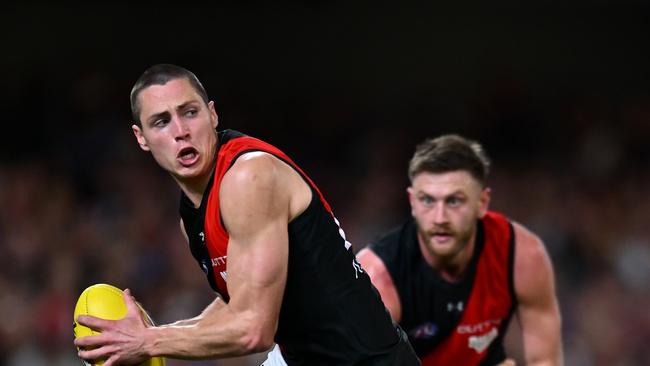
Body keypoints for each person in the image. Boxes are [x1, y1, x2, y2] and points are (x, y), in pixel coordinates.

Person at [73, 64, 420, 366]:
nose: (180, 130)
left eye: (189, 112)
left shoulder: (247, 177)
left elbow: (254, 329)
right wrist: (146, 334)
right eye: (161, 121)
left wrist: (149, 341)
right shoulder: (191, 215)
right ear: (142, 138)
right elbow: (235, 305)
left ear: (212, 114)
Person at [356, 134, 563, 365]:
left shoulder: (521, 255)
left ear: (482, 203)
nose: (440, 218)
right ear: (412, 202)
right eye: (428, 201)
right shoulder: (377, 278)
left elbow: (546, 360)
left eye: (454, 201)